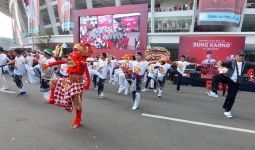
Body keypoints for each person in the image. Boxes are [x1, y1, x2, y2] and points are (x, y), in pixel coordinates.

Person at [43, 43, 92, 128]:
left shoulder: (82, 62)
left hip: (78, 84)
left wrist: (88, 82)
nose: (73, 51)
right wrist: (48, 65)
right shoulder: (72, 59)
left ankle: (78, 118)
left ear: (81, 51)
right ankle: (52, 99)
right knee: (53, 82)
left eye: (76, 50)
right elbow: (61, 61)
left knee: (77, 102)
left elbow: (86, 71)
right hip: (69, 80)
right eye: (73, 49)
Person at [216, 51, 255, 118]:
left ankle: (227, 109)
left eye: (242, 56)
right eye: (239, 55)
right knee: (216, 77)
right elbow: (223, 63)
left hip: (237, 82)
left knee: (231, 96)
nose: (241, 57)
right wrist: (220, 63)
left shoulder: (246, 63)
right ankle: (226, 109)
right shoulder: (231, 62)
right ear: (236, 56)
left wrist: (253, 75)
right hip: (229, 79)